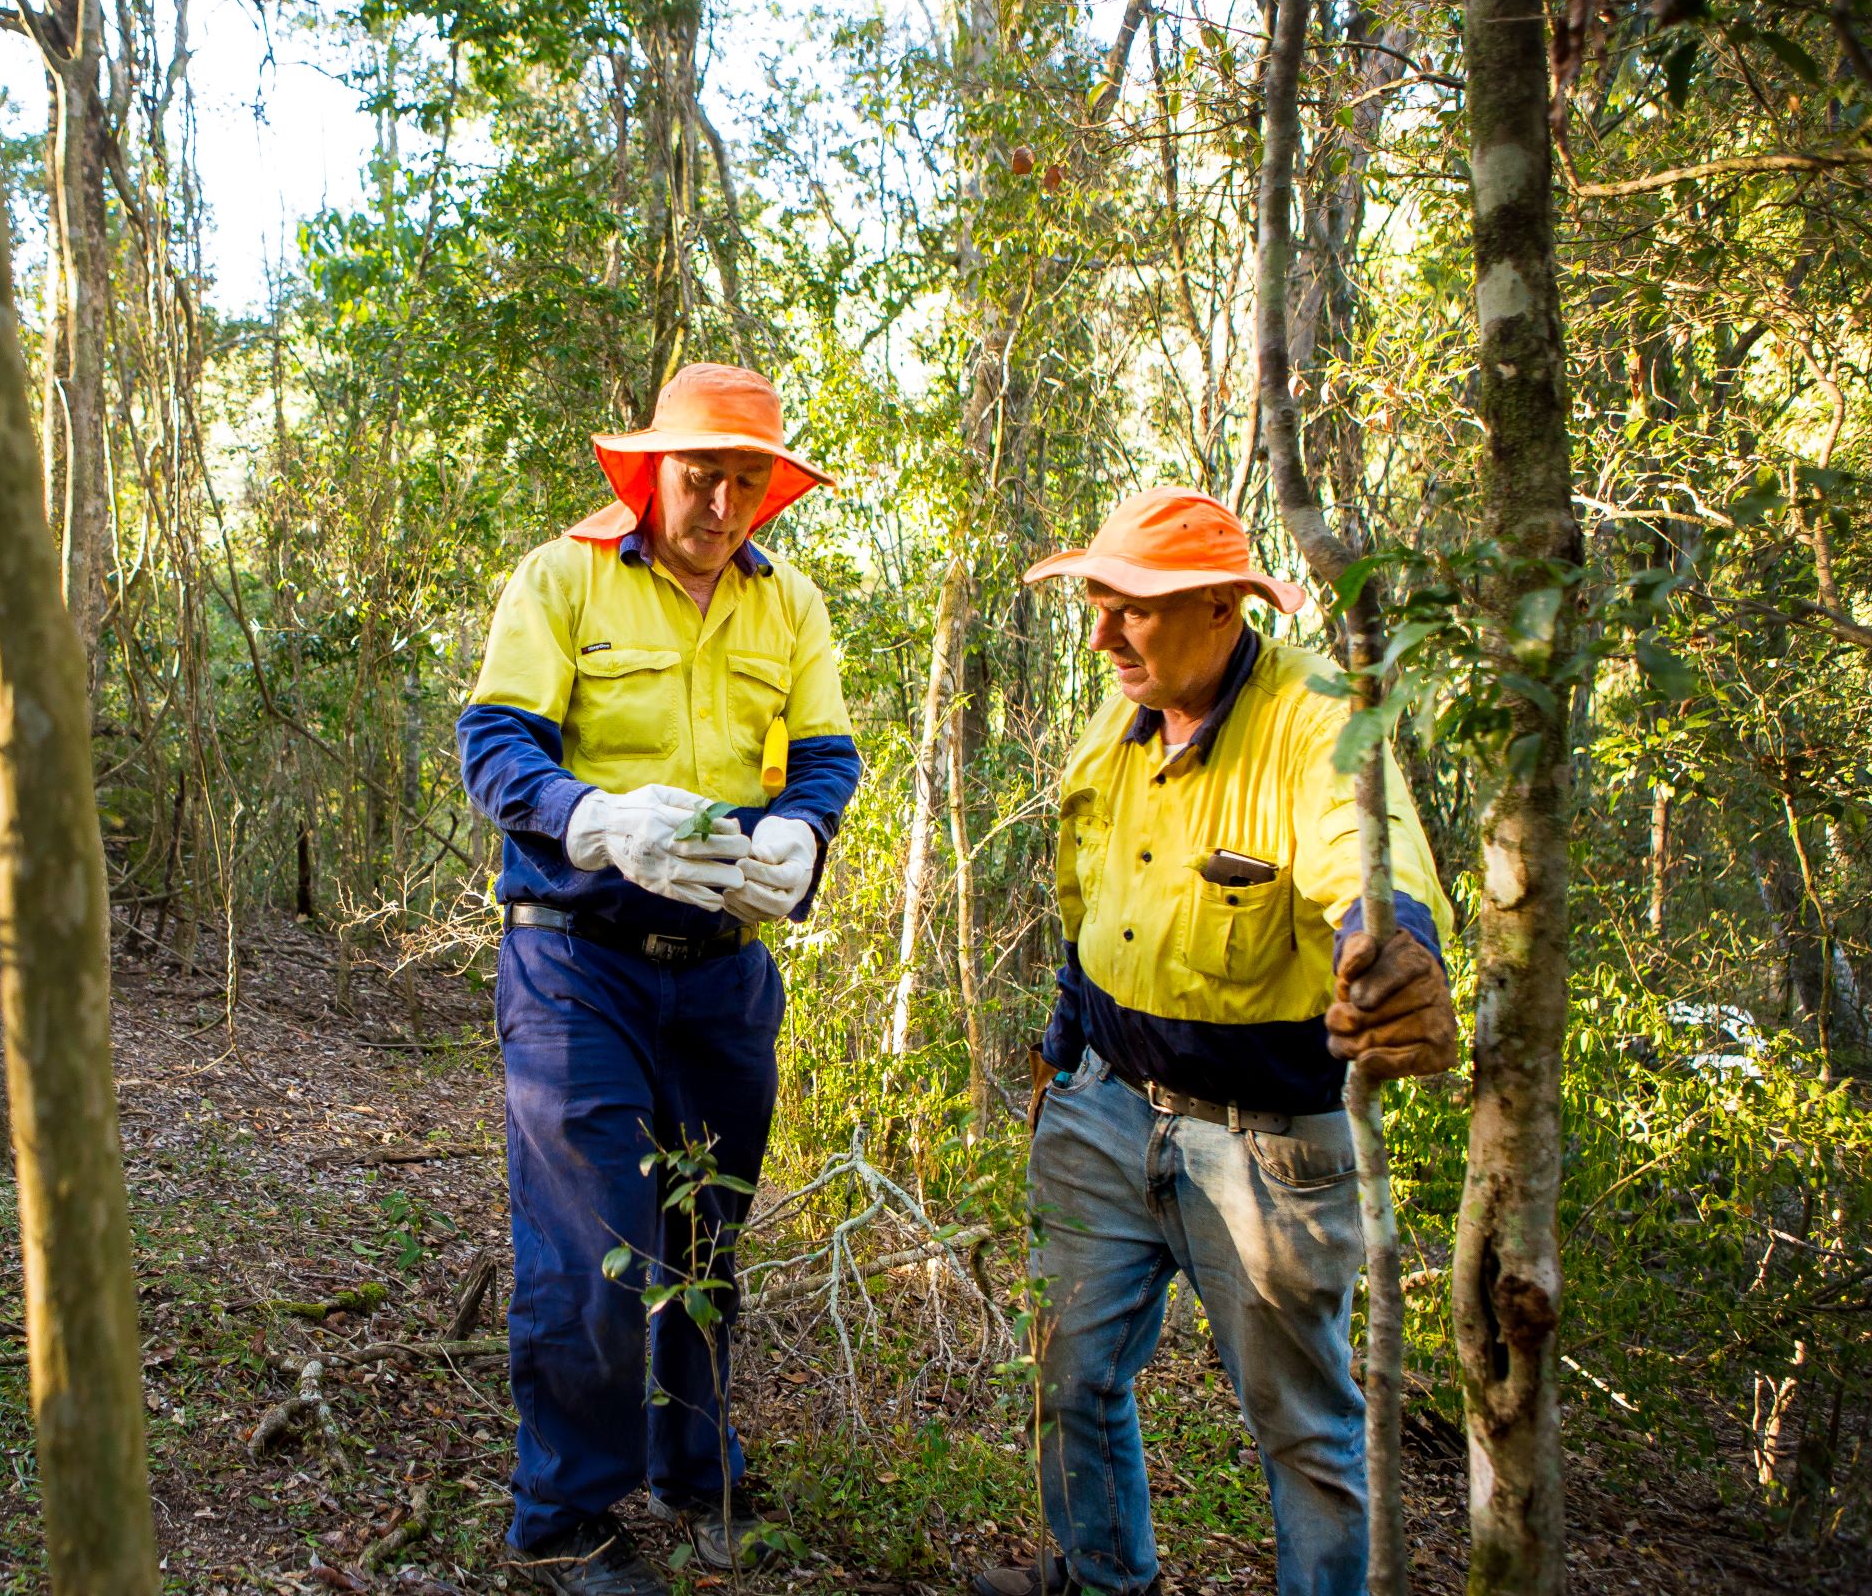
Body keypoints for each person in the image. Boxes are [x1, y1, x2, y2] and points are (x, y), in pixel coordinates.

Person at [972, 488, 1459, 1596]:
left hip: (1265, 1142)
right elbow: (1086, 897)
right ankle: (1099, 1578)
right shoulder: (1120, 716)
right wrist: (1062, 1045)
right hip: (1100, 1103)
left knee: (1308, 1434)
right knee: (1072, 1376)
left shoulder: (1314, 715)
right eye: (1094, 604)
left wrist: (1396, 954)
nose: (1100, 636)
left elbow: (1363, 848)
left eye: (1128, 611)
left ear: (1220, 609)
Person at [458, 362, 863, 1596]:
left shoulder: (788, 605)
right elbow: (495, 743)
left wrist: (803, 831)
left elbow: (825, 755)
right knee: (592, 1245)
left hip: (725, 973)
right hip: (577, 960)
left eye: (748, 478)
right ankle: (565, 1514)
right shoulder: (563, 576)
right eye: (703, 473)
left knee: (706, 1233)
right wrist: (589, 819)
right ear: (652, 470)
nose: (723, 499)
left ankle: (698, 1468)